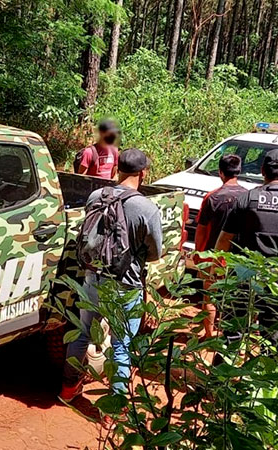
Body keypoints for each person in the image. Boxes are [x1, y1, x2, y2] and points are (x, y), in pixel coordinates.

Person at [60, 148, 164, 401]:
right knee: (121, 346)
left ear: (118, 168)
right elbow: (154, 253)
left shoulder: (97, 195)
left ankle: (68, 389)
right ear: (143, 173)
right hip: (125, 284)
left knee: (82, 332)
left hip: (92, 277)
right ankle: (115, 407)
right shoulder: (146, 208)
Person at [213, 149, 278, 342]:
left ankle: (223, 370)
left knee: (232, 336)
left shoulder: (246, 199)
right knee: (273, 339)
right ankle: (268, 369)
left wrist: (215, 272)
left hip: (243, 278)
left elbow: (224, 241)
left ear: (262, 171)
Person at [194, 154, 247, 339]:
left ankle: (209, 335)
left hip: (213, 255)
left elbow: (201, 229)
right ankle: (235, 336)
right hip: (239, 258)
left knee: (209, 296)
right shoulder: (248, 197)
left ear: (220, 172)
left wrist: (198, 253)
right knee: (237, 299)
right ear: (238, 171)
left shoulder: (212, 197)